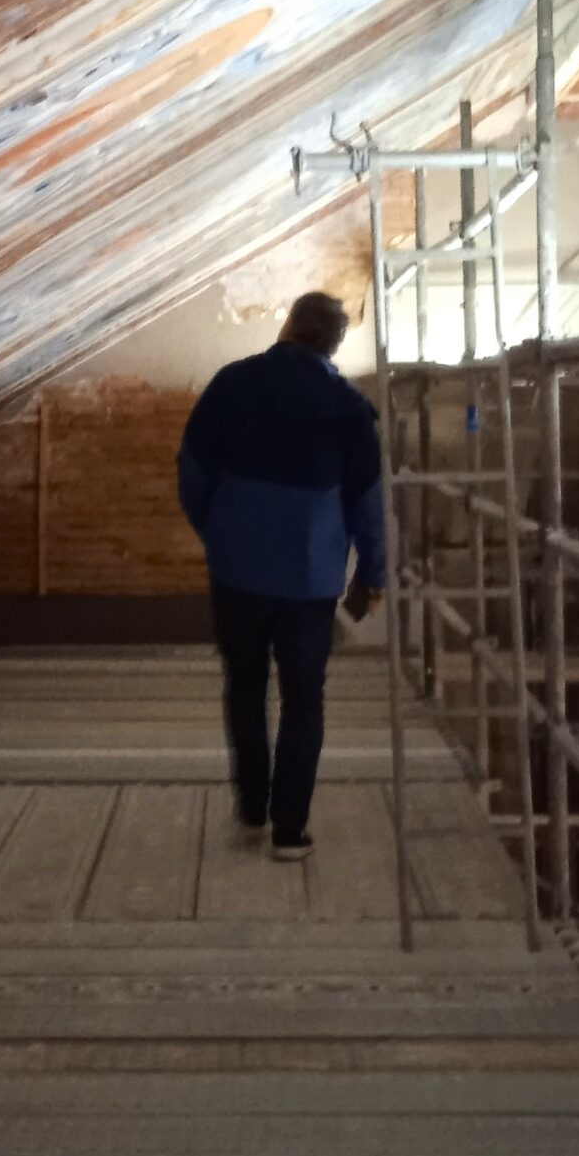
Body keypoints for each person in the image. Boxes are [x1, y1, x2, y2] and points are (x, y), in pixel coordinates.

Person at [177, 290, 386, 861]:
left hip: (237, 570)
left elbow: (192, 473)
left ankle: (251, 809)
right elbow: (369, 505)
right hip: (309, 580)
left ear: (290, 325)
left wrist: (219, 530)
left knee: (245, 684)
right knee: (303, 697)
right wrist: (373, 574)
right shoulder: (350, 411)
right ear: (334, 344)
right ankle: (289, 831)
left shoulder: (232, 385)